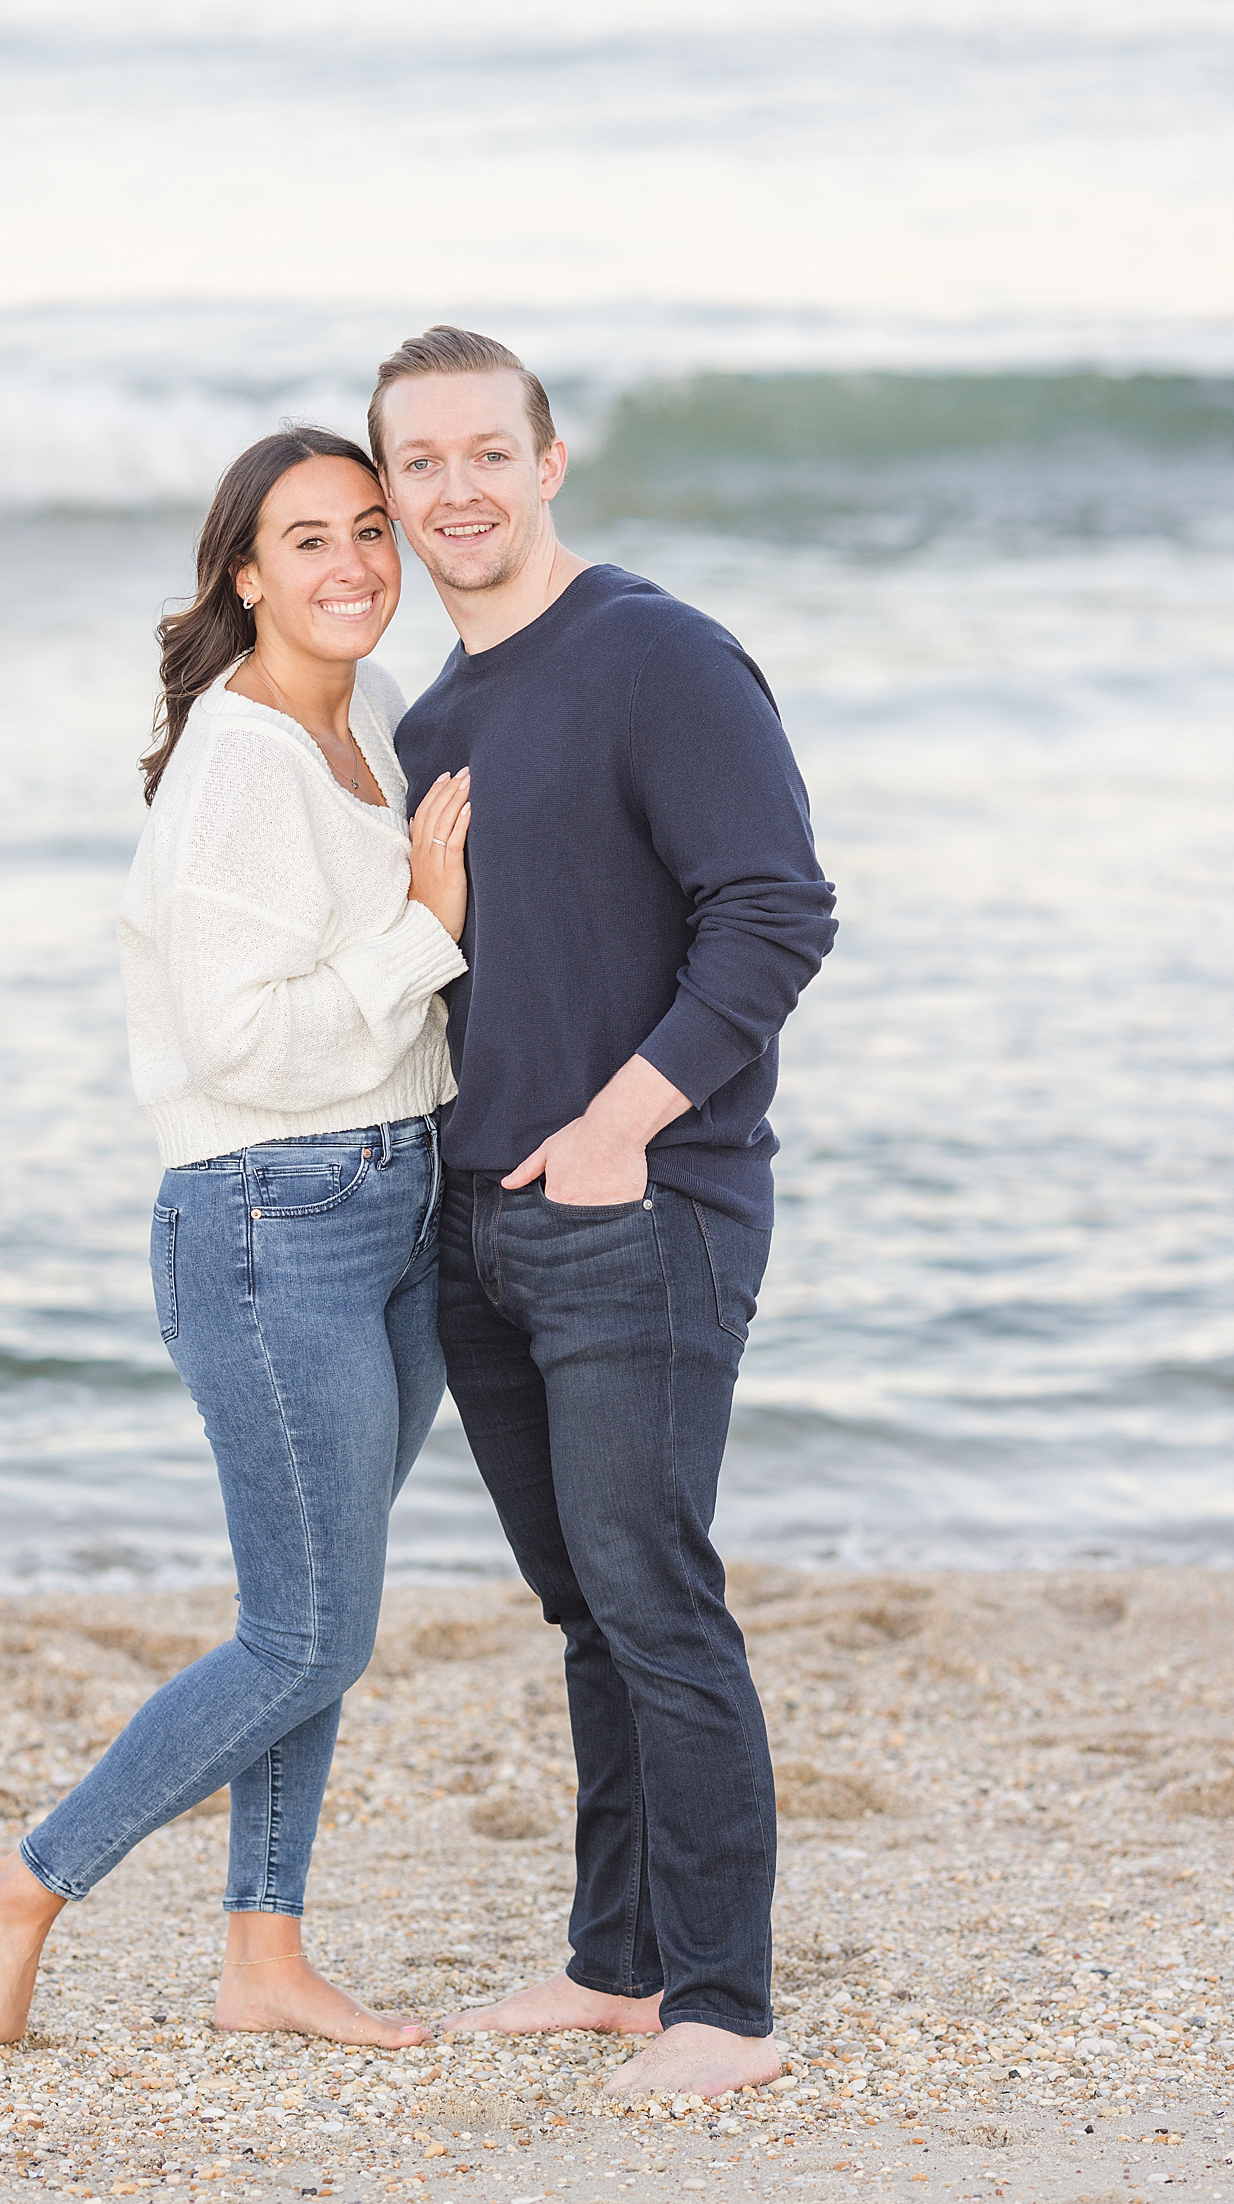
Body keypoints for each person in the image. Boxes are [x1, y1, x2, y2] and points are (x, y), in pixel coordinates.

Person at [0, 426, 473, 2054]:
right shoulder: (243, 760)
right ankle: (25, 1881)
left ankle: (262, 1957)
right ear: (245, 573)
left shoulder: (364, 713)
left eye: (370, 529)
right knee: (307, 1628)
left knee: (318, 1603)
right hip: (270, 1219)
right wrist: (427, 932)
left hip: (400, 1196)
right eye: (307, 540)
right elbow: (244, 1040)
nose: (355, 566)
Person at [371, 328, 838, 2097]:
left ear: (549, 462)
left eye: (490, 451)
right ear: (396, 490)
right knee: (586, 1606)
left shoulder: (656, 653)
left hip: (647, 1201)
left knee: (658, 1596)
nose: (458, 490)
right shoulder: (437, 715)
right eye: (422, 463)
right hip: (482, 1222)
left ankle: (726, 2006)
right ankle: (618, 1967)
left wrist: (620, 1125)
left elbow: (776, 913)